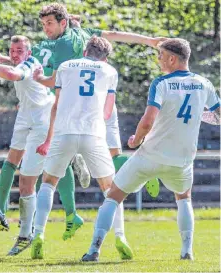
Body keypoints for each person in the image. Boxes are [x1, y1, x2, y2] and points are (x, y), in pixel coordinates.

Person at [0, 2, 165, 240]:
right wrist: (150, 41)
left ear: (63, 22)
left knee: (58, 169)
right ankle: (138, 175)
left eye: (49, 23)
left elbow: (32, 71)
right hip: (102, 105)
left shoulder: (53, 47)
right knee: (111, 161)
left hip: (79, 112)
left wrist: (10, 68)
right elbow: (114, 35)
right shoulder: (82, 35)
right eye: (43, 24)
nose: (45, 29)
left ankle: (39, 229)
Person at [81, 38, 221, 262]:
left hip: (150, 155)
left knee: (113, 196)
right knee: (184, 198)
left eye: (161, 56)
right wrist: (202, 116)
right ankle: (187, 252)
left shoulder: (162, 83)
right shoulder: (204, 84)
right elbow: (219, 115)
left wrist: (135, 140)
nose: (158, 61)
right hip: (182, 160)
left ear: (173, 59)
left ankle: (94, 249)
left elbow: (148, 121)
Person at [30, 36, 132, 260]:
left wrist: (49, 138)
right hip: (93, 133)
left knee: (48, 183)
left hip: (64, 132)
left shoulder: (66, 66)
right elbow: (107, 112)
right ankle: (120, 236)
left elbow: (56, 104)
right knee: (112, 190)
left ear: (85, 51)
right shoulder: (109, 71)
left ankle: (38, 234)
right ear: (104, 58)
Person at [0, 35, 54, 255]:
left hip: (41, 122)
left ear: (28, 52)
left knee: (26, 183)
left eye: (19, 50)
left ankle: (25, 234)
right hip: (25, 115)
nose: (14, 54)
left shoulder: (30, 64)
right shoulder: (23, 60)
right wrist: (2, 58)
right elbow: (14, 64)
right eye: (12, 50)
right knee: (11, 161)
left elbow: (14, 73)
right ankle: (1, 208)